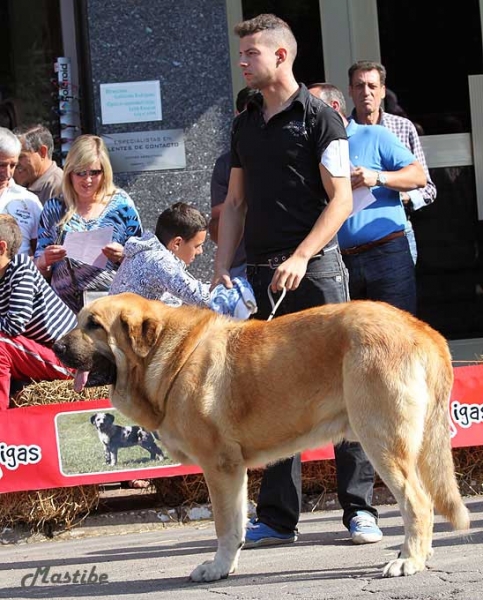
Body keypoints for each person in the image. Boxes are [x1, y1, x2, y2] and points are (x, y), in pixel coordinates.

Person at [211, 14, 355, 548]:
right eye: (242, 53)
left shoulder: (322, 118)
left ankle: (358, 508)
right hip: (263, 272)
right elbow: (235, 204)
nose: (243, 61)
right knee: (270, 395)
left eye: (251, 53)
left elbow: (340, 201)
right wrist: (223, 263)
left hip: (315, 269)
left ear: (280, 56)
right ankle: (277, 518)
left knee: (345, 386)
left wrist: (301, 255)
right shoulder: (245, 120)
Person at [308, 82, 426, 537]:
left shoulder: (373, 136)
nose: (310, 114)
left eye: (316, 106)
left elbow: (419, 177)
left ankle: (412, 488)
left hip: (386, 253)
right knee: (351, 381)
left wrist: (376, 178)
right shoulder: (311, 148)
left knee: (399, 366)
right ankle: (361, 505)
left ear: (334, 109)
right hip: (337, 263)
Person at [34, 134, 143, 314]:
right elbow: (40, 267)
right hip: (64, 309)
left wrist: (122, 255)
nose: (88, 180)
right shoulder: (55, 208)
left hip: (109, 307)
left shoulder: (121, 205)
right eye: (81, 173)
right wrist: (44, 261)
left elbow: (141, 258)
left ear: (105, 172)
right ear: (69, 173)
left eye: (95, 172)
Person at [347, 60, 436, 263]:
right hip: (353, 240)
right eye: (359, 86)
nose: (366, 92)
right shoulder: (341, 133)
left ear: (383, 91)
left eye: (372, 86)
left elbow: (428, 188)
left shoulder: (402, 127)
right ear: (350, 91)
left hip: (397, 232)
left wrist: (402, 195)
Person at [110, 201, 257, 319]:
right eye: (197, 246)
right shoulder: (160, 260)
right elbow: (203, 299)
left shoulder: (147, 253)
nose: (200, 252)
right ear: (177, 243)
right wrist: (241, 292)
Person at [0, 214, 77, 410]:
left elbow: (14, 325)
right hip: (35, 352)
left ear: (2, 248)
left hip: (70, 359)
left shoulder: (21, 267)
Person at [209, 87, 259, 279]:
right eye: (249, 115)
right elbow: (218, 221)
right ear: (238, 115)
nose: (255, 122)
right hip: (239, 263)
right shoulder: (225, 164)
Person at [0, 127, 43, 256]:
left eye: (13, 165)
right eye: (1, 165)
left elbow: (40, 251)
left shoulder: (29, 201)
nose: (7, 173)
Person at [13, 124, 64, 205]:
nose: (15, 163)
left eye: (21, 156)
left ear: (42, 152)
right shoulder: (22, 182)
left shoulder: (59, 187)